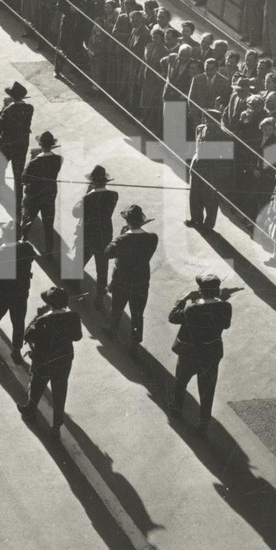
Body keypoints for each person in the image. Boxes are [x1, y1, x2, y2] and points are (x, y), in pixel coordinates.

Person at [168, 274, 235, 430]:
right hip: (211, 354)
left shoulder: (192, 308)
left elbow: (172, 317)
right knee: (207, 391)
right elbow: (225, 324)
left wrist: (184, 299)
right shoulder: (226, 307)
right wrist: (220, 300)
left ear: (201, 291)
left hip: (190, 354)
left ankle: (177, 407)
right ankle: (203, 426)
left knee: (181, 381)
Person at [19, 286, 83, 434]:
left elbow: (27, 335)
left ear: (51, 304)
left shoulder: (43, 319)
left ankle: (30, 410)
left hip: (44, 361)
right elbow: (77, 337)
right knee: (60, 394)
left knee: (37, 386)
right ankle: (56, 427)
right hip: (64, 361)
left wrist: (37, 316)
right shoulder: (74, 317)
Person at [0, 223, 38, 359]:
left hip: (2, 292)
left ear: (5, 236)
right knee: (18, 322)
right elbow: (31, 256)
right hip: (21, 292)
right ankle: (16, 350)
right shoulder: (27, 248)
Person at [105, 204, 159, 350]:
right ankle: (135, 342)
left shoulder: (122, 240)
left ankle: (112, 330)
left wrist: (121, 235)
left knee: (116, 308)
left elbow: (108, 253)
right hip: (141, 281)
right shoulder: (152, 238)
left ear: (127, 222)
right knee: (137, 313)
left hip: (122, 281)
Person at [73, 165, 119, 302]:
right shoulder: (114, 195)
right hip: (104, 236)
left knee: (79, 263)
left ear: (92, 182)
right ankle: (100, 296)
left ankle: (76, 289)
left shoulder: (87, 198)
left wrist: (87, 193)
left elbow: (75, 213)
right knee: (102, 269)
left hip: (87, 236)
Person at [20, 131, 62, 257]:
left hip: (34, 196)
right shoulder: (59, 159)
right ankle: (49, 251)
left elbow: (24, 178)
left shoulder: (34, 162)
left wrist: (32, 158)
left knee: (27, 220)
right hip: (49, 196)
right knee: (48, 225)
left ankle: (23, 241)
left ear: (40, 145)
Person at [0, 81, 34, 203]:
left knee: (1, 167)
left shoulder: (8, 110)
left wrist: (3, 108)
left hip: (6, 144)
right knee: (19, 172)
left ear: (12, 97)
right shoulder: (29, 108)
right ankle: (19, 197)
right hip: (21, 144)